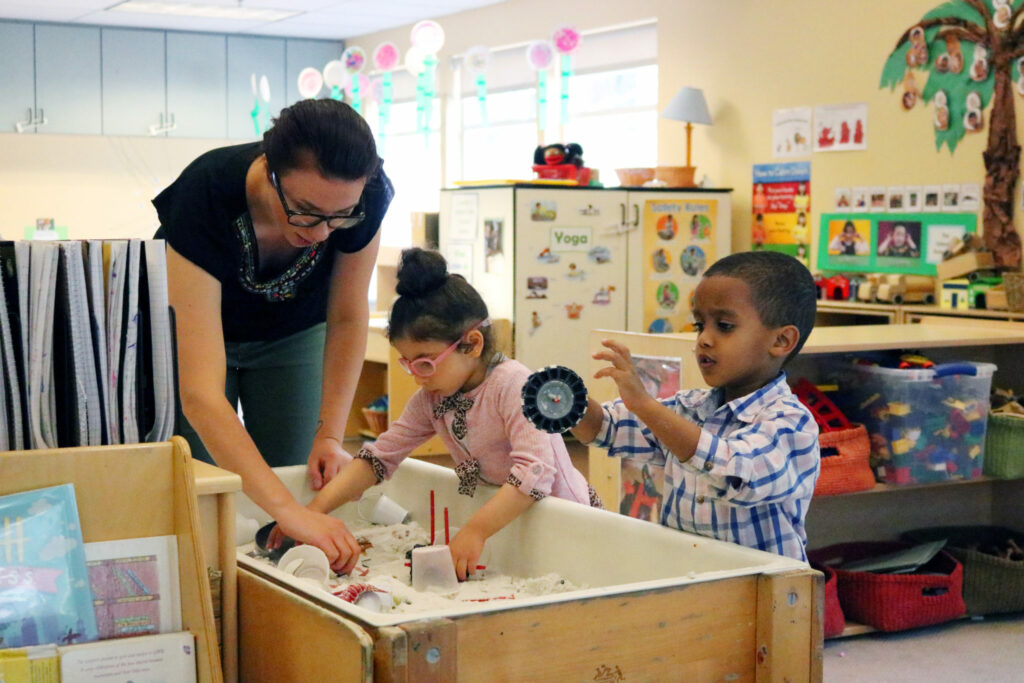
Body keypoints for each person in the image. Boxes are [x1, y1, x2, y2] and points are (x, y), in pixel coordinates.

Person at [154, 99, 393, 573]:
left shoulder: (367, 197)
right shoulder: (206, 191)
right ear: (268, 170)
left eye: (338, 216)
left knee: (295, 476)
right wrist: (289, 512)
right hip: (204, 332)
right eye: (305, 213)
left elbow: (347, 317)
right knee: (208, 489)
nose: (323, 234)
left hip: (294, 331)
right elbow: (200, 394)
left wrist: (330, 434)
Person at [288, 248, 599, 578]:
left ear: (472, 344)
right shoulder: (432, 398)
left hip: (568, 521)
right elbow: (379, 458)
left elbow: (534, 473)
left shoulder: (517, 385)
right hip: (508, 520)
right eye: (407, 363)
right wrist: (312, 513)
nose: (417, 375)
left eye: (425, 362)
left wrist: (475, 531)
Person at [571, 251, 820, 561]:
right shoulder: (689, 407)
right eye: (699, 325)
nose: (704, 339)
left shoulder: (791, 424)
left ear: (781, 341)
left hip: (762, 597)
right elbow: (608, 428)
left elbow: (733, 473)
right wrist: (565, 400)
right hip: (691, 581)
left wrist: (646, 406)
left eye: (724, 326)